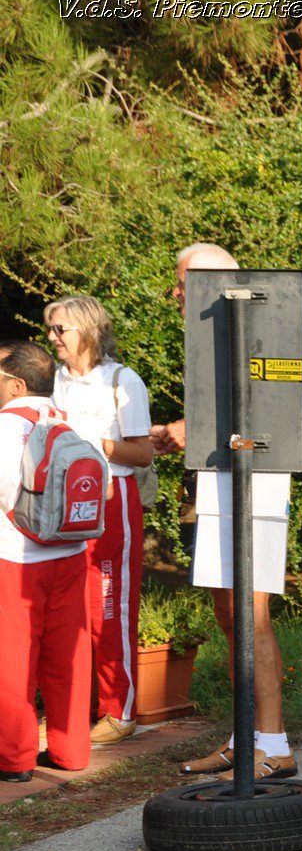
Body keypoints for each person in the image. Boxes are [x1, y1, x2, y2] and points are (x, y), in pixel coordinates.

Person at [150, 244, 297, 782]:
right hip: (218, 485)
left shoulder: (264, 324)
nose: (175, 293)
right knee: (229, 616)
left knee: (249, 615)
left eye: (182, 282)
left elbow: (273, 406)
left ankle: (275, 744)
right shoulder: (210, 338)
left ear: (214, 283)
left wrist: (191, 432)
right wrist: (183, 433)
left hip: (253, 486)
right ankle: (246, 737)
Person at [44, 296, 153, 745]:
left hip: (113, 500)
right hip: (66, 503)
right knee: (68, 604)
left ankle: (119, 712)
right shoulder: (56, 380)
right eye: (50, 329)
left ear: (87, 331)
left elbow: (142, 452)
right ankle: (77, 705)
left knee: (109, 605)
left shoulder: (123, 381)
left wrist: (93, 443)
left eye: (60, 329)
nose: (52, 338)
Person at [0, 342, 93, 781]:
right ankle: (71, 751)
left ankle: (13, 759)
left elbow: (5, 492)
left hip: (17, 559)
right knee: (67, 656)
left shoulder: (5, 427)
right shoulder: (67, 421)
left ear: (16, 384)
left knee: (13, 659)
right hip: (71, 552)